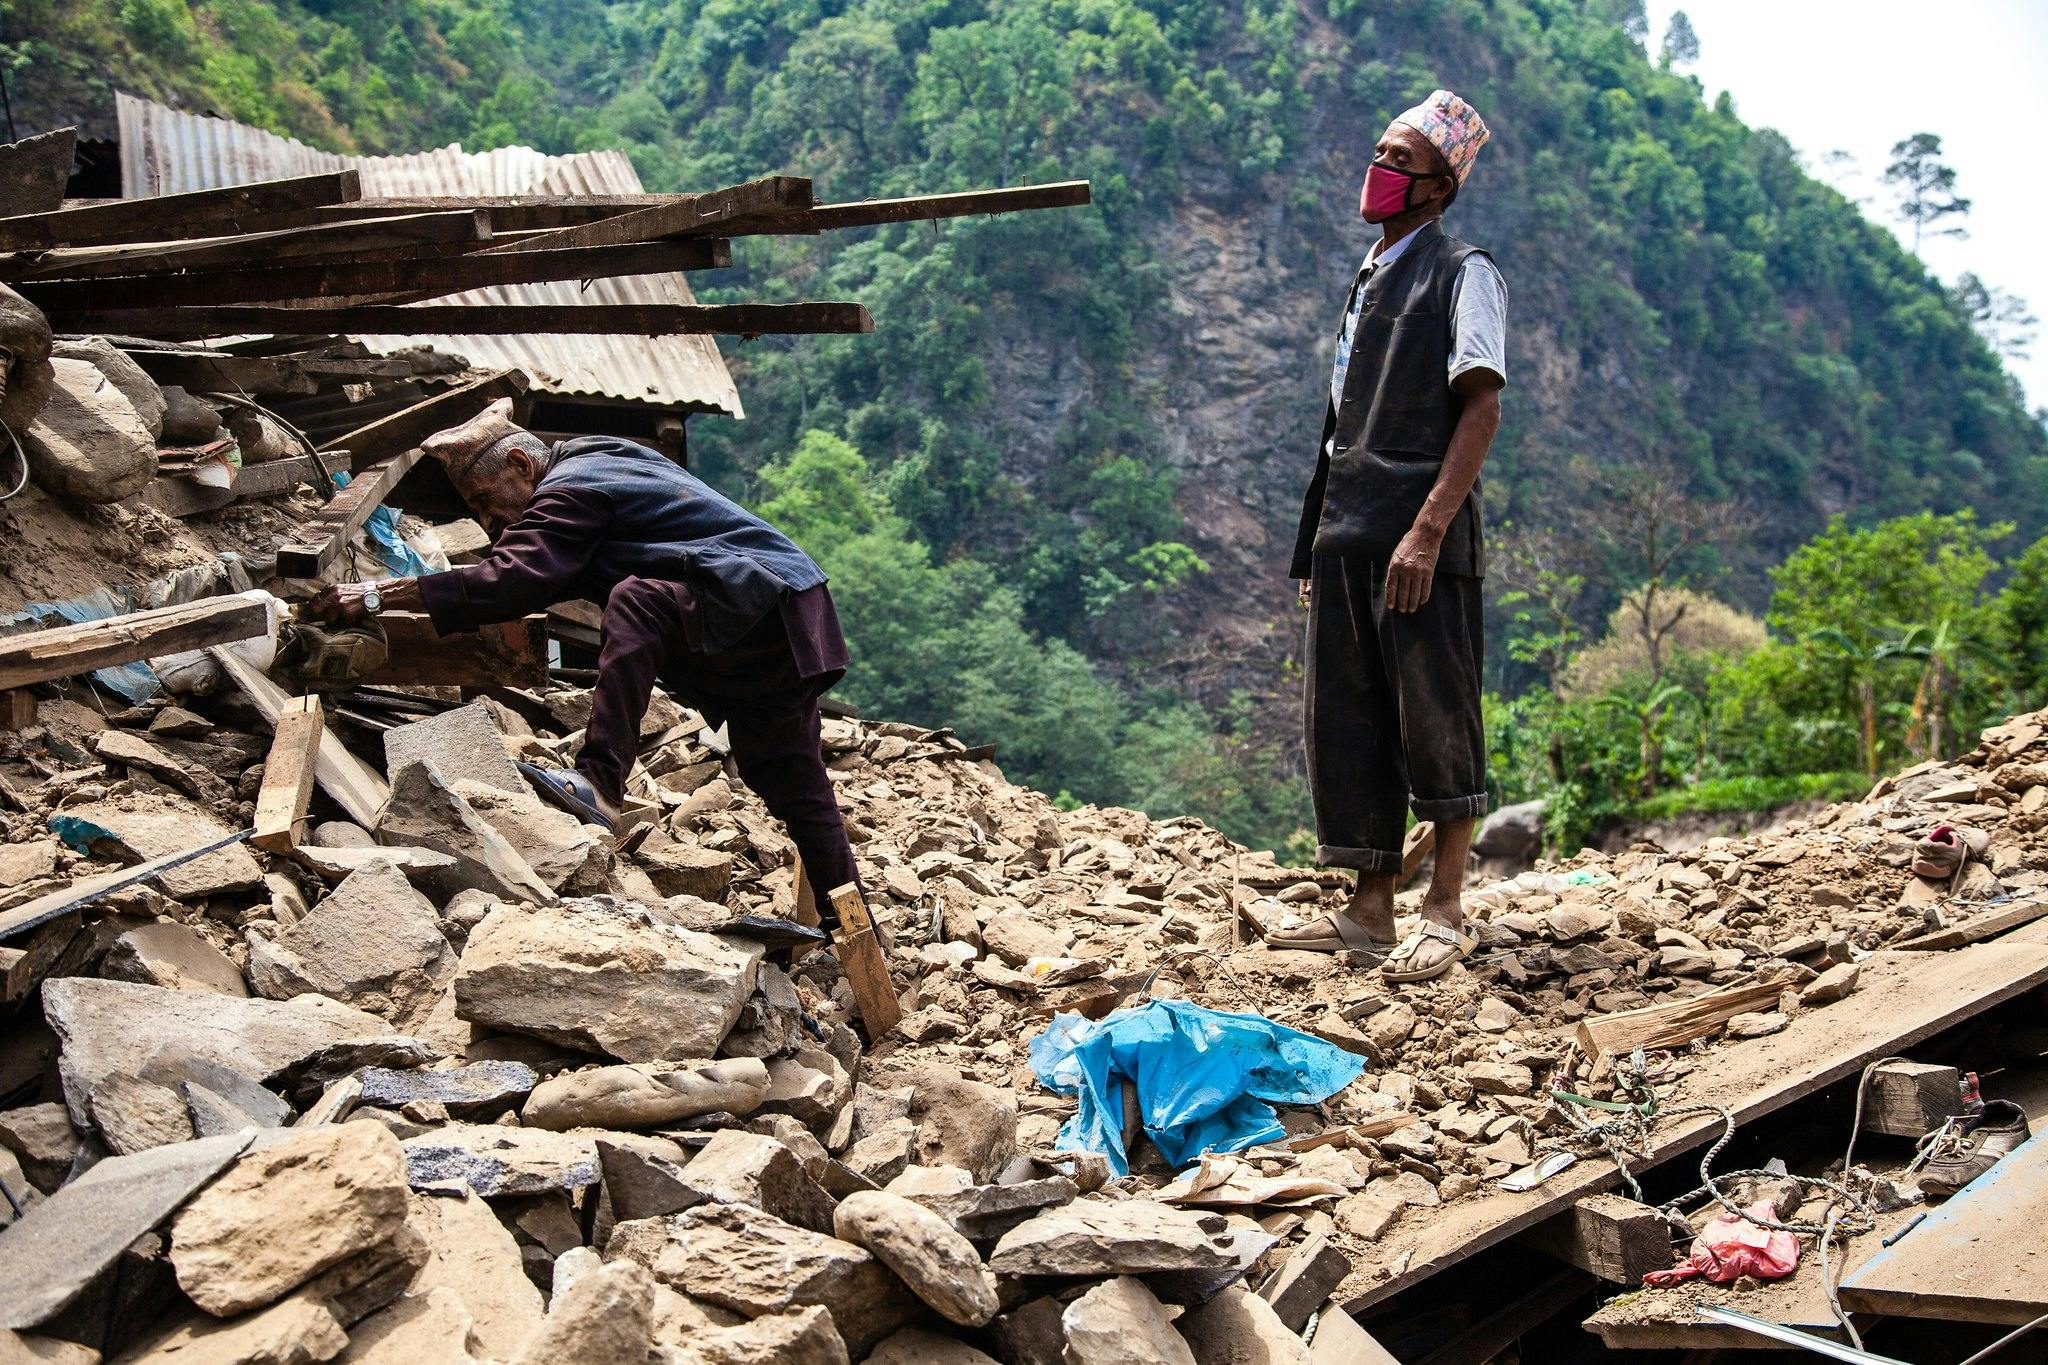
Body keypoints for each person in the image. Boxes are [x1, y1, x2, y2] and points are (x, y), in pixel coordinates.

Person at [301, 399, 861, 923]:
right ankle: (855, 936)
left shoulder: (571, 488)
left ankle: (600, 782)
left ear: (521, 463)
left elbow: (516, 578)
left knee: (638, 601)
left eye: (484, 502)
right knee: (791, 779)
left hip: (750, 595)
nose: (490, 522)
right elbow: (530, 565)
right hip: (789, 611)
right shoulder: (600, 456)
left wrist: (379, 595)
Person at [1265, 89, 1506, 984]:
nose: (1381, 170)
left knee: (1436, 708)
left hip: (1417, 531)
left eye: (1400, 160)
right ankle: (1368, 909)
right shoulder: (1369, 273)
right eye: (1381, 152)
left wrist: (1428, 529)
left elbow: (1479, 407)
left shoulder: (1462, 271)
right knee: (1350, 714)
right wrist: (1313, 547)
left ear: (1440, 188)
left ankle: (1444, 904)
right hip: (1346, 529)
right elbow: (1339, 426)